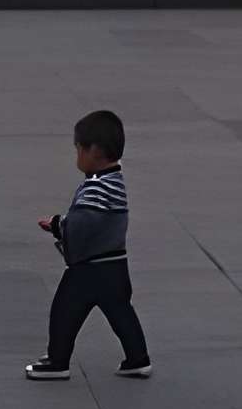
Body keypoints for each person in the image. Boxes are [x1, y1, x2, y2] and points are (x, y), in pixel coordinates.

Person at [23, 109, 149, 382]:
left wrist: (57, 224)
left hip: (90, 269)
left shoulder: (97, 188)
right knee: (120, 313)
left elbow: (81, 223)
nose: (76, 155)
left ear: (94, 152)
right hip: (116, 264)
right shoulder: (114, 181)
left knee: (64, 312)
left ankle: (58, 361)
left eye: (78, 149)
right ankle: (138, 358)